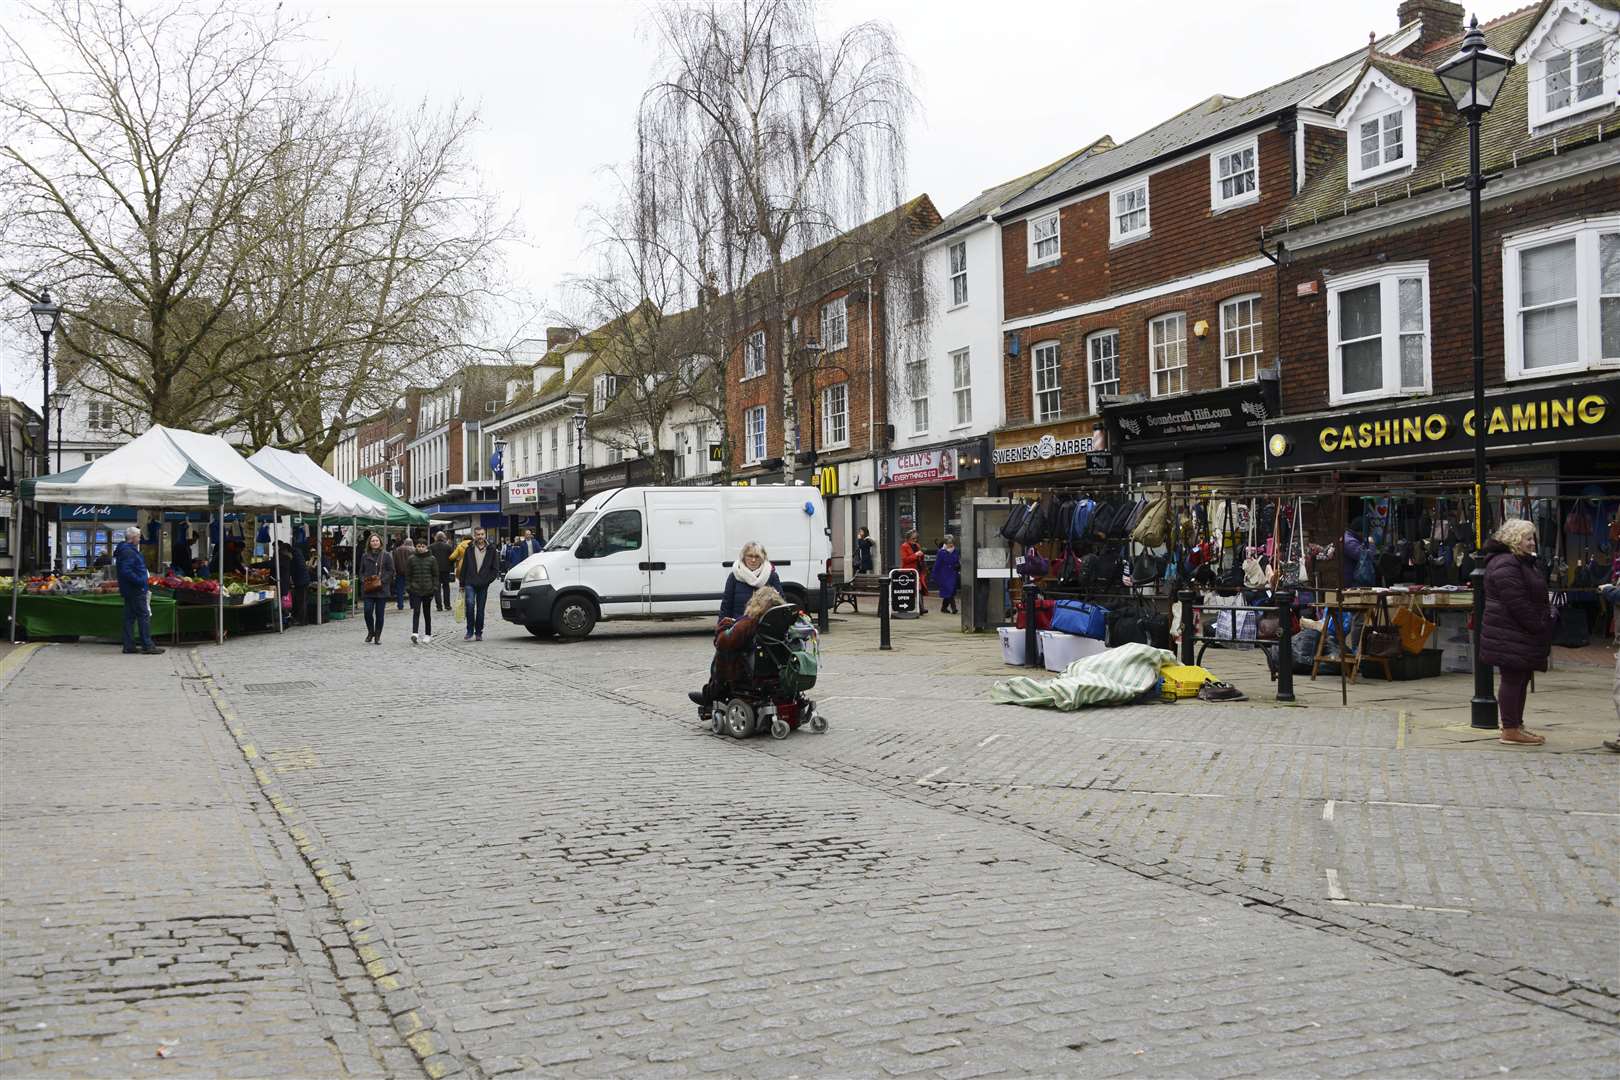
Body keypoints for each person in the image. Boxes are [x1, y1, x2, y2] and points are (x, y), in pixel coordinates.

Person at [1478, 518, 1554, 746]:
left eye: (1533, 539)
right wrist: (1539, 624)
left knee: (1519, 677)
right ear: (1514, 539)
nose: (1532, 543)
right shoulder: (1506, 564)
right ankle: (1510, 729)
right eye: (1528, 538)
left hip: (1515, 631)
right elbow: (1517, 602)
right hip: (1509, 631)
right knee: (1512, 678)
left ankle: (1515, 725)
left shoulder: (1518, 562)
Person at [689, 586, 785, 713]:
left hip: (744, 671)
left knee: (724, 652)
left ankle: (712, 693)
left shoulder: (748, 622)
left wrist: (723, 627)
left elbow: (722, 642)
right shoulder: (777, 621)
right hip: (773, 667)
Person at [114, 526, 164, 656]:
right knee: (143, 615)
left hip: (129, 589)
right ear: (132, 538)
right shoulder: (129, 551)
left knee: (129, 617)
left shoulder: (126, 550)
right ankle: (147, 645)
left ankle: (129, 645)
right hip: (136, 589)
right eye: (138, 536)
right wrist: (141, 581)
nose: (140, 539)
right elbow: (127, 571)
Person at [457, 526, 501, 641]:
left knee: (480, 609)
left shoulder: (491, 549)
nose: (480, 537)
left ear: (484, 535)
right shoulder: (469, 549)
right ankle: (469, 630)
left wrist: (488, 580)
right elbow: (464, 567)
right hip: (469, 582)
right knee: (470, 605)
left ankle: (478, 632)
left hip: (483, 583)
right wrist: (462, 584)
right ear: (474, 536)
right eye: (478, 535)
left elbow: (495, 569)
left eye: (482, 534)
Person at [720, 541, 782, 623]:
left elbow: (780, 604)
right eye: (750, 556)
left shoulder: (771, 576)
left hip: (764, 628)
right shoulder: (734, 576)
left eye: (757, 557)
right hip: (739, 627)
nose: (753, 560)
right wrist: (721, 628)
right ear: (743, 557)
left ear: (763, 558)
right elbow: (726, 605)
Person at [358, 533, 393, 644]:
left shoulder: (386, 555)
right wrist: (364, 580)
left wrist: (382, 581)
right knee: (367, 611)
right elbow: (361, 571)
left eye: (376, 540)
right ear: (369, 543)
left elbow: (391, 571)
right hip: (368, 589)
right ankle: (370, 631)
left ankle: (377, 635)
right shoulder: (365, 556)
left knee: (379, 614)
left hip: (381, 589)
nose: (375, 542)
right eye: (372, 541)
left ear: (380, 542)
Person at [406, 537, 439, 644]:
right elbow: (408, 574)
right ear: (416, 547)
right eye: (419, 546)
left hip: (428, 590)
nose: (420, 548)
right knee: (416, 611)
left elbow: (435, 575)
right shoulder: (411, 559)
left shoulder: (432, 559)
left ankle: (428, 634)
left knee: (426, 612)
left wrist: (434, 588)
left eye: (423, 546)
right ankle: (414, 633)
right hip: (415, 589)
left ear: (426, 547)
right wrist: (409, 587)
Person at [899, 529, 929, 615]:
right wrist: (915, 555)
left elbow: (920, 558)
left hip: (918, 571)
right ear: (908, 538)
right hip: (908, 572)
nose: (915, 540)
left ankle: (921, 608)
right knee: (912, 590)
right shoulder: (904, 546)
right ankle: (916, 607)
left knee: (919, 589)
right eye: (913, 538)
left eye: (916, 538)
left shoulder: (917, 546)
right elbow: (905, 560)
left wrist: (922, 555)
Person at [933, 534, 961, 615]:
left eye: (952, 542)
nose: (951, 544)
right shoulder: (941, 552)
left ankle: (944, 607)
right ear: (945, 543)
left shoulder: (955, 551)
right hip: (944, 574)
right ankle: (954, 608)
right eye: (949, 543)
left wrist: (958, 565)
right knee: (949, 590)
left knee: (950, 591)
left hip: (953, 573)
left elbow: (957, 561)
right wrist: (934, 575)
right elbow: (937, 564)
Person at [288, 539, 311, 625]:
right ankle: (303, 620)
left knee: (301, 601)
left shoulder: (294, 557)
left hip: (301, 581)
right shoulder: (298, 553)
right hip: (303, 580)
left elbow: (293, 570)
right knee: (302, 601)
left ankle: (302, 620)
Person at [430, 531, 453, 612]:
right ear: (444, 538)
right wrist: (451, 568)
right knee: (446, 587)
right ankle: (447, 605)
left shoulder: (431, 547)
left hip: (435, 570)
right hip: (446, 570)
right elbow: (452, 558)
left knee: (437, 588)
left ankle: (439, 606)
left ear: (436, 537)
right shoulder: (448, 546)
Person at [391, 537, 412, 610]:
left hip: (399, 572)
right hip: (410, 573)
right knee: (411, 589)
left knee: (399, 590)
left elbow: (394, 561)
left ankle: (400, 605)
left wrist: (394, 571)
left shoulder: (397, 550)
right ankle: (412, 604)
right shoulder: (413, 550)